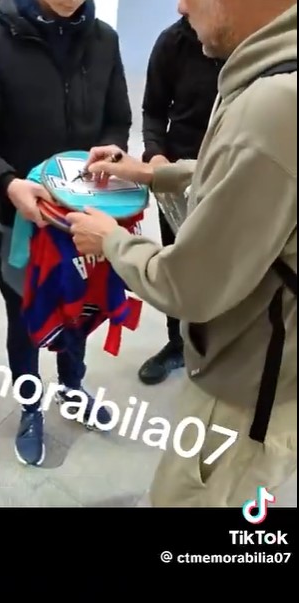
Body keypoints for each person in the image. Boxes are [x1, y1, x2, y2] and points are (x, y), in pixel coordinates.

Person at [66, 0, 297, 507]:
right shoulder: (270, 74)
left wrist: (110, 238)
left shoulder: (276, 102)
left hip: (248, 384)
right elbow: (241, 167)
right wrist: (150, 170)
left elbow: (188, 286)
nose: (180, 5)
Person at [0, 0, 132, 466]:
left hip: (86, 219)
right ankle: (31, 405)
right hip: (23, 222)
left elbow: (117, 118)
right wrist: (8, 183)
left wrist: (113, 150)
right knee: (26, 317)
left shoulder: (104, 39)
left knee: (81, 309)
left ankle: (72, 388)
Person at [138, 15, 223, 386]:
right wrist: (155, 156)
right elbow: (153, 110)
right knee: (178, 264)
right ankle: (177, 342)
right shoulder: (172, 42)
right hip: (176, 179)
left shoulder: (251, 43)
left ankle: (221, 348)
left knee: (230, 266)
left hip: (232, 173)